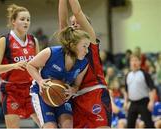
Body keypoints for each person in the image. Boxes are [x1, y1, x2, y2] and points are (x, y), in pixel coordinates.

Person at [59, 0, 112, 128]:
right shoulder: (69, 45)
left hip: (95, 93)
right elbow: (62, 21)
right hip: (76, 98)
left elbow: (77, 11)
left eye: (78, 22)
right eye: (72, 24)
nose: (75, 25)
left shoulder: (91, 42)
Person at [27, 26, 90, 128]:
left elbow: (77, 85)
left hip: (62, 96)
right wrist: (40, 81)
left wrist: (73, 90)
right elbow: (30, 65)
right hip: (42, 93)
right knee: (51, 127)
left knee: (68, 125)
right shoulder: (51, 53)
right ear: (73, 45)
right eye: (84, 46)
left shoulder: (84, 63)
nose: (87, 51)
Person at [0, 4, 40, 128]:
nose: (26, 22)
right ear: (13, 21)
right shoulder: (4, 40)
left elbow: (39, 66)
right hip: (11, 89)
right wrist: (14, 65)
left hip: (31, 88)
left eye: (28, 19)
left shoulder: (33, 40)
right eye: (22, 19)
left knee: (46, 124)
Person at [124, 53, 156, 128]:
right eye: (132, 60)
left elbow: (152, 89)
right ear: (130, 62)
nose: (134, 62)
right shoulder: (128, 75)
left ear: (140, 62)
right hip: (132, 103)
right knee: (130, 125)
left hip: (144, 102)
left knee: (149, 124)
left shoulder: (145, 74)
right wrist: (125, 102)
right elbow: (126, 90)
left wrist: (151, 101)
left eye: (136, 60)